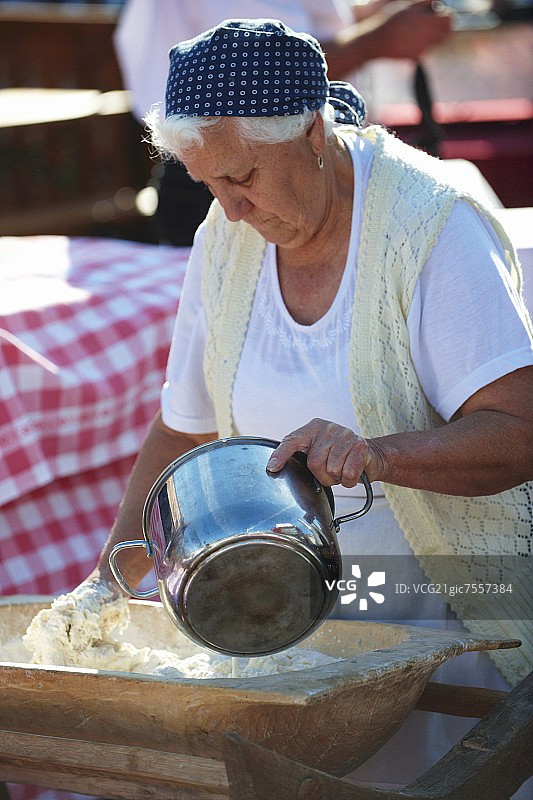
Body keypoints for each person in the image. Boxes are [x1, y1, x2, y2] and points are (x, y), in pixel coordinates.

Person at [37, 17, 532, 792]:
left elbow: (518, 431)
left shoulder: (430, 226)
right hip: (296, 639)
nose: (230, 210)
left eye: (242, 179)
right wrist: (111, 573)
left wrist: (377, 454)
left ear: (311, 132)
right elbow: (183, 425)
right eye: (208, 186)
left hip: (451, 630)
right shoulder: (225, 238)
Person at [114, 0, 452, 244]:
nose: (230, 211)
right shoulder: (223, 217)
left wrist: (371, 14)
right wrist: (378, 39)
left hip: (267, 162)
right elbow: (259, 79)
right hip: (219, 164)